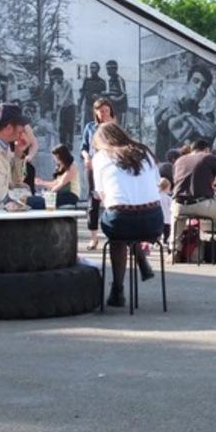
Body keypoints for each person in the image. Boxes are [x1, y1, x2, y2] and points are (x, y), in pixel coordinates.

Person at [92, 123, 162, 307]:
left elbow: (101, 194)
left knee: (118, 234)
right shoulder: (145, 152)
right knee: (130, 222)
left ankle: (118, 289)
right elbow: (157, 184)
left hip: (121, 220)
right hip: (153, 219)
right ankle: (140, 258)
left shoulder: (100, 157)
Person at [154, 65, 216, 160]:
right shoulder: (171, 105)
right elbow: (179, 130)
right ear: (187, 83)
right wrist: (200, 126)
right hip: (168, 168)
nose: (199, 87)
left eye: (204, 85)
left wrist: (189, 117)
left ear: (205, 92)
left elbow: (213, 131)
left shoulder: (199, 114)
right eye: (195, 81)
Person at [80, 98, 116, 250]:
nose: (104, 114)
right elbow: (84, 147)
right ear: (96, 112)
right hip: (93, 166)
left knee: (112, 199)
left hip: (110, 167)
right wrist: (86, 157)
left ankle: (113, 234)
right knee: (92, 201)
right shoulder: (90, 127)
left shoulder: (114, 128)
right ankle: (93, 237)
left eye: (106, 111)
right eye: (101, 111)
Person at [35, 144, 81, 208]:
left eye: (56, 157)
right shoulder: (61, 167)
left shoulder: (72, 166)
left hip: (71, 195)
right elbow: (56, 183)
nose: (55, 159)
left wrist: (49, 194)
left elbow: (61, 184)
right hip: (61, 193)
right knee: (39, 198)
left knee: (44, 201)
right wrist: (42, 183)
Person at [43, 68, 76, 149]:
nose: (55, 79)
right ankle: (63, 145)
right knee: (62, 127)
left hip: (70, 107)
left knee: (70, 126)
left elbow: (64, 97)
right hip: (61, 108)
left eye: (56, 77)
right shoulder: (55, 85)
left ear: (60, 76)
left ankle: (70, 144)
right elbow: (55, 99)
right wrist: (55, 111)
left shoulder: (68, 84)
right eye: (54, 77)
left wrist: (58, 108)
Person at [78, 62, 107, 127]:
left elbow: (104, 96)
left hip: (97, 107)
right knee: (88, 125)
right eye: (91, 68)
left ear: (98, 69)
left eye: (94, 68)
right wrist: (79, 105)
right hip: (88, 106)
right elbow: (83, 93)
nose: (92, 70)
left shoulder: (102, 82)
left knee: (97, 125)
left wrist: (98, 96)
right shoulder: (87, 80)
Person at [105, 60, 128, 125]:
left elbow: (123, 94)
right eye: (107, 69)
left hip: (120, 109)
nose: (108, 71)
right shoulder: (110, 80)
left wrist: (113, 99)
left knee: (119, 128)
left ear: (115, 69)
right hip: (113, 108)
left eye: (109, 69)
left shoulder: (119, 79)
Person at [158, 177, 173, 251]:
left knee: (159, 232)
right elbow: (171, 208)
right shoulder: (168, 198)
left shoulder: (156, 197)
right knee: (167, 232)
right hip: (167, 219)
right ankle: (166, 241)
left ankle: (158, 242)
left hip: (158, 218)